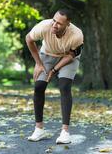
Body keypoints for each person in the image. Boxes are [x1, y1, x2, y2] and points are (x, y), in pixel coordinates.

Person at [25, 9, 84, 144]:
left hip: (68, 58)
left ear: (67, 24)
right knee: (39, 86)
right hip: (48, 54)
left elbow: (71, 55)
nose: (54, 25)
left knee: (64, 86)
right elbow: (28, 39)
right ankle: (39, 130)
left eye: (59, 23)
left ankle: (65, 132)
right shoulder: (44, 26)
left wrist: (54, 70)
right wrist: (39, 64)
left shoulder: (77, 35)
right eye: (54, 21)